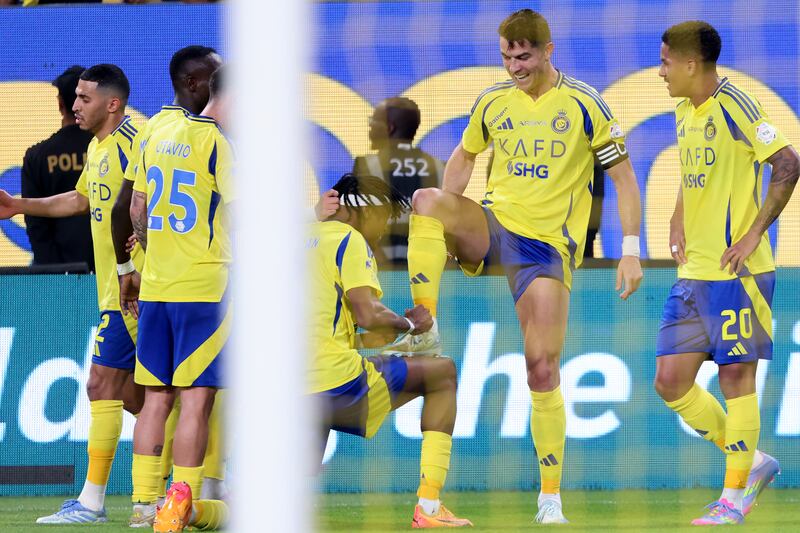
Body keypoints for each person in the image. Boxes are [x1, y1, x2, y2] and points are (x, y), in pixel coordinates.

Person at [383, 9, 643, 523]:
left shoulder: (586, 103)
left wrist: (630, 249)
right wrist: (446, 225)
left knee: (541, 367)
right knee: (429, 199)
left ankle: (550, 497)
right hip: (495, 224)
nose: (514, 67)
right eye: (506, 57)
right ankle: (423, 323)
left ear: (548, 51)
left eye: (522, 56)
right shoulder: (492, 101)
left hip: (546, 249)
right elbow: (462, 157)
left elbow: (626, 182)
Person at [655, 21, 799, 525]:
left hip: (740, 273)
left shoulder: (737, 105)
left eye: (667, 62)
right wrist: (677, 213)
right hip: (694, 272)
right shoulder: (681, 110)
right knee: (669, 382)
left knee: (736, 377)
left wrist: (755, 232)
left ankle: (733, 497)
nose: (661, 71)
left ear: (691, 64)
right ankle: (753, 462)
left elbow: (787, 163)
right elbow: (697, 171)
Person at [0, 64, 143, 524]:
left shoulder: (133, 145)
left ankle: (93, 502)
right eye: (76, 97)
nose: (74, 105)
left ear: (112, 103)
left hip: (135, 289)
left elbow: (149, 205)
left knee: (102, 384)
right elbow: (79, 200)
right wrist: (19, 205)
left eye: (84, 98)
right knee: (146, 395)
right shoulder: (99, 147)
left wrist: (139, 252)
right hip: (115, 290)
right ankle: (188, 484)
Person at [310, 173, 472, 528]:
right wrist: (409, 324)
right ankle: (429, 507)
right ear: (357, 211)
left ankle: (194, 508)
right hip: (335, 384)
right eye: (381, 218)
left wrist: (385, 338)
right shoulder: (348, 240)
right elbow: (367, 312)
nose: (382, 231)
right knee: (443, 373)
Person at [109, 44, 226, 527]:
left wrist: (142, 258)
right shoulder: (217, 140)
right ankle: (183, 502)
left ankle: (142, 505)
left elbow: (134, 208)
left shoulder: (152, 130)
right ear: (198, 83)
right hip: (204, 286)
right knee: (197, 399)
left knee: (156, 398)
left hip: (156, 285)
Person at [353, 97, 443, 265]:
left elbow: (357, 225)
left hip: (378, 268)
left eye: (373, 121)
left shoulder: (365, 165)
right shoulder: (440, 167)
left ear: (390, 128)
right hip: (426, 267)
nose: (370, 127)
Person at [21, 65, 94, 271]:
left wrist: (52, 272)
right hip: (108, 268)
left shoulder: (37, 156)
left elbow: (35, 225)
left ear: (60, 103)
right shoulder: (110, 149)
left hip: (57, 271)